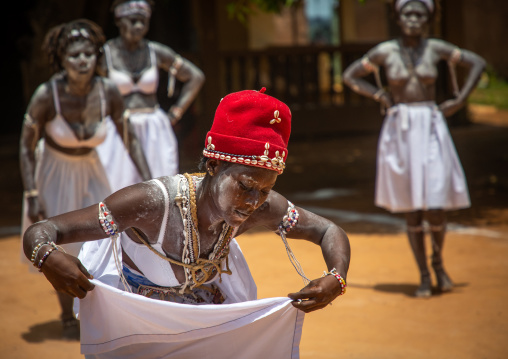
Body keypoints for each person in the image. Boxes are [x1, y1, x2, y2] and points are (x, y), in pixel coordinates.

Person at [23, 88, 350, 357]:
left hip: (201, 318)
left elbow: (328, 231)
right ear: (213, 164)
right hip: (136, 325)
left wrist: (336, 277)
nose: (253, 202)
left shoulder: (262, 205)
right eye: (246, 187)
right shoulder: (152, 204)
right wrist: (47, 256)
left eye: (266, 191)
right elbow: (42, 232)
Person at [342, 0, 485, 297]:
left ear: (428, 19)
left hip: (431, 125)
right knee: (411, 207)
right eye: (408, 12)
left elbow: (477, 63)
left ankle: (438, 262)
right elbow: (350, 75)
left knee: (435, 204)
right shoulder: (385, 51)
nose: (414, 19)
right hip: (400, 129)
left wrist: (459, 101)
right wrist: (380, 94)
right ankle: (423, 274)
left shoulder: (436, 48)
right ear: (397, 16)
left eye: (420, 13)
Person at [19, 19, 152, 338]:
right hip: (55, 173)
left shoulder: (108, 91)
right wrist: (32, 193)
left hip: (93, 171)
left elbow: (129, 138)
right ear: (61, 59)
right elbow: (25, 147)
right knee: (62, 242)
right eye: (75, 55)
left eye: (89, 54)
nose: (83, 61)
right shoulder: (46, 95)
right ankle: (67, 315)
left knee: (103, 235)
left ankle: (95, 308)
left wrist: (151, 184)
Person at [97, 0, 205, 192]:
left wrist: (176, 113)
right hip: (118, 129)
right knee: (117, 189)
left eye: (143, 22)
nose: (139, 26)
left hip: (154, 130)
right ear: (119, 21)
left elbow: (195, 77)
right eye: (133, 20)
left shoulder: (155, 51)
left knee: (160, 188)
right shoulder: (104, 55)